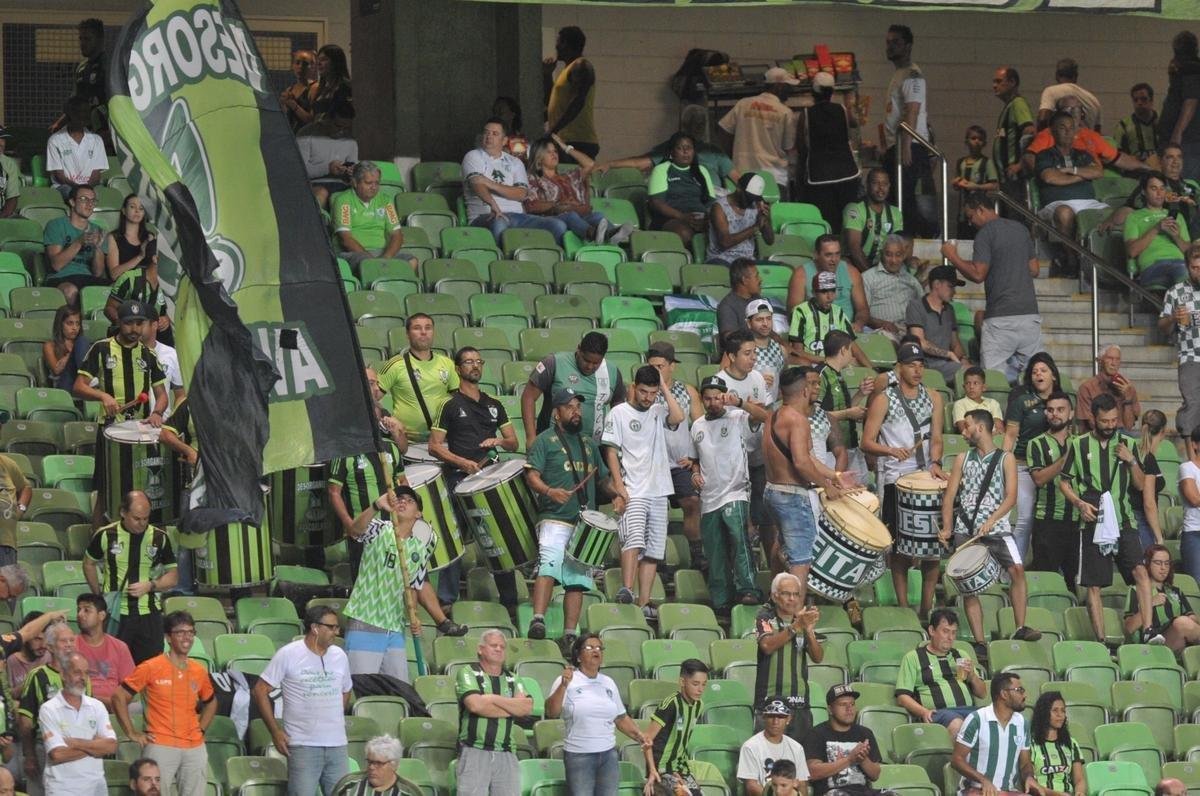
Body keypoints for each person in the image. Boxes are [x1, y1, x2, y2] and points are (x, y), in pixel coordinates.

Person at [1059, 393, 1159, 645]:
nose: (1110, 425)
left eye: (1114, 420)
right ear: (1094, 419)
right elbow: (1064, 482)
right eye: (1105, 421)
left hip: (1124, 520)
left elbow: (1139, 485)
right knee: (1093, 584)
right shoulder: (1079, 444)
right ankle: (1101, 641)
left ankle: (1148, 629)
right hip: (1092, 520)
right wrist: (1079, 503)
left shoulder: (1128, 443)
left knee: (1140, 572)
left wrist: (1132, 460)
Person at [525, 388, 621, 647]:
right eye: (569, 407)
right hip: (554, 517)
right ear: (556, 413)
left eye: (578, 407)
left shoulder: (589, 444)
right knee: (549, 566)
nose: (576, 412)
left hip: (583, 521)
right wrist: (549, 491)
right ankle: (537, 619)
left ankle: (570, 633)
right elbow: (532, 476)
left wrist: (616, 494)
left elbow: (602, 479)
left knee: (576, 580)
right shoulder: (544, 441)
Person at [939, 409, 1040, 647]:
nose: (963, 431)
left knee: (1017, 570)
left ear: (981, 428)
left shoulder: (1006, 458)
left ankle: (1020, 627)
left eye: (967, 426)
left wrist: (992, 519)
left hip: (997, 528)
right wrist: (947, 528)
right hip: (966, 527)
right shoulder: (962, 458)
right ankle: (979, 641)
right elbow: (949, 496)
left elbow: (1011, 497)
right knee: (968, 586)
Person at [428, 346, 519, 606]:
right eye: (468, 362)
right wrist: (463, 463)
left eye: (478, 361)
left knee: (498, 537)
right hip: (459, 478)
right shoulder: (449, 404)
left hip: (490, 478)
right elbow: (434, 446)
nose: (475, 366)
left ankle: (510, 601)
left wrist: (499, 441)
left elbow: (513, 442)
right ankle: (446, 600)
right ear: (458, 369)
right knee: (455, 536)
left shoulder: (494, 404)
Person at [862, 342, 947, 616]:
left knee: (933, 547)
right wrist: (890, 450)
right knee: (899, 548)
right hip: (896, 477)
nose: (917, 370)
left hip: (926, 477)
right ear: (899, 368)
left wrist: (935, 462)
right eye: (911, 365)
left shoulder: (934, 397)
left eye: (921, 365)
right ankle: (903, 607)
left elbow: (937, 437)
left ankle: (926, 609)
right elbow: (866, 441)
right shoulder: (884, 399)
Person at [74, 300, 169, 524]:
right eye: (129, 323)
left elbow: (162, 395)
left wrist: (157, 412)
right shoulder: (101, 349)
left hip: (140, 432)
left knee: (143, 487)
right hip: (109, 430)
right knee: (106, 489)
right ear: (119, 322)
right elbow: (78, 387)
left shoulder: (148, 355)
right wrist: (102, 396)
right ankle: (97, 538)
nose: (134, 329)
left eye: (139, 323)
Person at [602, 365, 684, 618]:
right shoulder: (618, 413)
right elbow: (611, 451)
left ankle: (644, 602)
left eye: (652, 392)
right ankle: (627, 590)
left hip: (659, 490)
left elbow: (679, 417)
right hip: (633, 488)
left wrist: (664, 387)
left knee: (653, 551)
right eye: (643, 392)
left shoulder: (659, 411)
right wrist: (619, 486)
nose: (648, 398)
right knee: (633, 541)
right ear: (633, 388)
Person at [764, 368, 855, 591]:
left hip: (772, 491)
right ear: (805, 391)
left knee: (781, 547)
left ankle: (774, 600)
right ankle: (794, 610)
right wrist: (826, 486)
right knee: (800, 561)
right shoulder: (798, 420)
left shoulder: (773, 416)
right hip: (792, 496)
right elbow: (802, 463)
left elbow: (808, 458)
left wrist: (835, 475)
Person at [940, 191, 1042, 385]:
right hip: (1030, 316)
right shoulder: (1021, 229)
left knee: (994, 382)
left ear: (980, 209)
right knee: (1034, 379)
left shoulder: (985, 233)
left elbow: (978, 274)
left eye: (971, 216)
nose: (970, 222)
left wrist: (952, 255)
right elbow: (1034, 269)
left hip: (1001, 319)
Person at [252, 605, 353, 796]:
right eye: (331, 627)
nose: (336, 632)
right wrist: (275, 731)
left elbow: (346, 689)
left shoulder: (340, 655)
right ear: (315, 628)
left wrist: (335, 716)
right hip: (303, 744)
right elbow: (260, 690)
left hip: (337, 744)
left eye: (337, 627)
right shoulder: (288, 654)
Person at [112, 611, 215, 796]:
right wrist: (131, 732)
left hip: (194, 747)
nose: (187, 637)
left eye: (191, 632)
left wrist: (201, 730)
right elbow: (119, 697)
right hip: (160, 744)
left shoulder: (199, 670)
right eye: (180, 632)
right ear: (168, 637)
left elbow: (211, 702)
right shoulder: (150, 667)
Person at [691, 375, 767, 613]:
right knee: (714, 550)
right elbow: (694, 459)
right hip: (708, 496)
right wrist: (694, 473)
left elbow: (765, 416)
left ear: (724, 397)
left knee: (739, 540)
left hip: (735, 491)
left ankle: (748, 589)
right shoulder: (697, 425)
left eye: (717, 398)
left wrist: (740, 402)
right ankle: (721, 599)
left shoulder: (737, 417)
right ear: (702, 399)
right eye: (708, 398)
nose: (713, 402)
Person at [343, 487, 434, 682]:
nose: (402, 501)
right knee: (362, 687)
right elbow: (354, 531)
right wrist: (376, 505)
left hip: (395, 628)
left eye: (409, 500)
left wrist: (415, 617)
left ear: (418, 514)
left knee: (398, 689)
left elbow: (413, 587)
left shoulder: (420, 548)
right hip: (365, 619)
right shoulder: (379, 528)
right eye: (399, 498)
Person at [328, 366, 410, 581]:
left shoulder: (387, 434)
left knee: (395, 578)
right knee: (365, 581)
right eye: (370, 382)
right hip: (363, 525)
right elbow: (334, 491)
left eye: (375, 383)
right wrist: (349, 524)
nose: (375, 388)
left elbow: (402, 462)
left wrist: (397, 432)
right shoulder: (345, 438)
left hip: (392, 525)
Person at [546, 634, 648, 795]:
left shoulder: (608, 682)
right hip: (579, 755)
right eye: (590, 647)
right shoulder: (566, 679)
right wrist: (563, 686)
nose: (596, 651)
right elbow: (551, 712)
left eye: (599, 648)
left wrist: (639, 736)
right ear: (578, 656)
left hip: (608, 755)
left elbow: (620, 717)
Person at [82, 491, 176, 663]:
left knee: (150, 668)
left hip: (149, 614)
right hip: (116, 614)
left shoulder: (159, 537)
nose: (142, 523)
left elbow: (173, 576)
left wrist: (151, 585)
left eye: (146, 518)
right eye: (136, 518)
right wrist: (99, 595)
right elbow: (88, 563)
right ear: (123, 512)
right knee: (111, 665)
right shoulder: (105, 534)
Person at [463, 118, 565, 245]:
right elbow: (477, 184)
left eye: (495, 134)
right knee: (499, 221)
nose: (489, 136)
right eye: (486, 132)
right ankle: (503, 257)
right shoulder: (473, 156)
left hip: (517, 216)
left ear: (504, 140)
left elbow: (521, 194)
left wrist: (490, 184)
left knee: (557, 225)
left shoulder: (515, 162)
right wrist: (493, 204)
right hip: (484, 216)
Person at [649, 344, 706, 571]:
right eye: (652, 366)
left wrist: (694, 458)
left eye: (660, 366)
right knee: (656, 510)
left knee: (692, 502)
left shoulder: (688, 391)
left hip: (680, 463)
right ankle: (658, 558)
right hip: (653, 465)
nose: (656, 371)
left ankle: (697, 553)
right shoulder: (642, 390)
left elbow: (700, 428)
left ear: (672, 366)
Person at [454, 630, 531, 796]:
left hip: (507, 752)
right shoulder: (468, 672)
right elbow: (475, 705)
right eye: (493, 645)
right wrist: (511, 708)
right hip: (474, 749)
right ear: (480, 649)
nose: (498, 649)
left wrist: (491, 698)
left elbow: (525, 708)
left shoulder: (513, 678)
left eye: (502, 646)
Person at [1003, 352, 1063, 562]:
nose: (1039, 374)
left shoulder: (1063, 402)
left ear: (1053, 375)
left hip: (1055, 467)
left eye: (1043, 370)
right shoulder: (1022, 402)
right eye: (1035, 371)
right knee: (1024, 519)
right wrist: (1003, 465)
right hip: (1024, 467)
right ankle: (1015, 567)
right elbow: (1010, 436)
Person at [1035, 110, 1109, 275]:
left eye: (1071, 128)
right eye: (1062, 128)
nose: (1068, 132)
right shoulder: (1044, 155)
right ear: (1052, 131)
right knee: (1065, 213)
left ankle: (1107, 264)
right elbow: (1050, 177)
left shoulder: (1083, 155)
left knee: (1114, 215)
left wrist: (1071, 171)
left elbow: (1098, 172)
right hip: (1057, 203)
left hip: (1088, 202)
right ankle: (1072, 259)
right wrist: (1081, 176)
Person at [523, 135, 632, 245]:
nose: (554, 154)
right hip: (554, 218)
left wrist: (566, 148)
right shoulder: (533, 179)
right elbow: (531, 205)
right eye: (548, 152)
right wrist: (556, 205)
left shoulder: (568, 177)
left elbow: (590, 164)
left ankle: (611, 235)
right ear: (539, 157)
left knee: (597, 216)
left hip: (580, 217)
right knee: (570, 215)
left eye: (555, 151)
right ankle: (593, 235)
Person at [524, 330, 626, 448]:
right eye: (586, 360)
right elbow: (528, 397)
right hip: (553, 445)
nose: (590, 366)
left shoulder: (612, 372)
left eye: (596, 363)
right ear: (578, 349)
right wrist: (531, 437)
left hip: (593, 448)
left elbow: (619, 409)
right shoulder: (554, 363)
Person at [895, 609, 986, 739]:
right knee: (957, 723)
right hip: (939, 713)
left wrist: (972, 676)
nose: (950, 638)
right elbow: (902, 697)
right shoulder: (913, 657)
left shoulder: (961, 655)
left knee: (994, 718)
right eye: (945, 631)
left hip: (968, 710)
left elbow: (982, 693)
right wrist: (924, 712)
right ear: (932, 630)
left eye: (953, 633)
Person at [755, 573, 824, 740]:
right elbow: (767, 646)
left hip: (800, 704)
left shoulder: (802, 620)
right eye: (786, 593)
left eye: (796, 594)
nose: (792, 599)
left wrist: (808, 630)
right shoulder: (765, 617)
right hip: (769, 703)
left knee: (801, 753)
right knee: (769, 752)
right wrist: (795, 627)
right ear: (775, 596)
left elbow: (818, 657)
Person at [881, 25, 935, 238]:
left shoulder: (913, 75)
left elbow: (913, 110)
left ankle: (920, 236)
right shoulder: (898, 74)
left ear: (908, 46)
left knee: (906, 199)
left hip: (909, 145)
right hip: (897, 144)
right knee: (896, 198)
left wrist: (905, 146)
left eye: (896, 42)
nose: (890, 46)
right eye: (888, 42)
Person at [597, 107, 738, 188]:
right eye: (691, 124)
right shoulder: (671, 147)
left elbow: (737, 178)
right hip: (681, 198)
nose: (695, 128)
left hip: (713, 199)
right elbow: (639, 163)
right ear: (683, 125)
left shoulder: (714, 152)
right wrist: (610, 164)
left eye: (699, 124)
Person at [38, 651, 115, 796]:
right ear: (63, 675)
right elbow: (57, 754)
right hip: (62, 788)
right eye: (77, 672)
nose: (83, 678)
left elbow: (111, 746)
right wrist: (95, 745)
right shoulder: (49, 709)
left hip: (97, 787)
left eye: (86, 673)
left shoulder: (97, 706)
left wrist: (77, 743)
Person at [17, 620, 80, 793]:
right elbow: (26, 722)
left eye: (72, 640)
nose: (69, 645)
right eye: (63, 641)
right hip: (44, 748)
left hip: (76, 748)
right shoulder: (37, 676)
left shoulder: (82, 676)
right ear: (50, 647)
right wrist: (29, 755)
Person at [377, 314, 458, 442]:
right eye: (417, 328)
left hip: (442, 440)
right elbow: (371, 398)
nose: (423, 332)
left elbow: (459, 400)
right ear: (407, 334)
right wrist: (386, 417)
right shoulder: (395, 365)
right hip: (407, 442)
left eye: (428, 328)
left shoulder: (447, 363)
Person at [1027, 391, 1080, 589]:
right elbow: (1039, 479)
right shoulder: (1036, 443)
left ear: (1071, 413)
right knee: (1046, 581)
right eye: (1050, 410)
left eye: (1060, 409)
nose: (1055, 414)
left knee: (1075, 583)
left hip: (1077, 521)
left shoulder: (1081, 442)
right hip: (1047, 523)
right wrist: (1066, 458)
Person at [796, 71, 860, 232]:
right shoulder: (842, 110)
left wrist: (800, 178)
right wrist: (850, 101)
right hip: (847, 174)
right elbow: (855, 122)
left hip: (819, 177)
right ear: (832, 91)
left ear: (813, 92)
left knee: (825, 224)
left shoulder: (806, 114)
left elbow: (801, 148)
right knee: (847, 223)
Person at [718, 67, 798, 196]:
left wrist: (730, 154)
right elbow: (789, 146)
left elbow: (724, 129)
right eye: (788, 86)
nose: (790, 91)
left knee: (745, 208)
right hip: (774, 176)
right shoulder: (785, 112)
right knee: (773, 208)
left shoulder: (743, 104)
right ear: (778, 86)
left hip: (743, 173)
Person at [952, 673, 1034, 796]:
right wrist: (983, 780)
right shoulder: (977, 719)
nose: (1025, 695)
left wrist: (1029, 777)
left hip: (1008, 792)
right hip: (976, 790)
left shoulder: (1022, 723)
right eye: (1019, 690)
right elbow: (957, 760)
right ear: (1004, 694)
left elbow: (1025, 764)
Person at [643, 658, 709, 796]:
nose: (700, 689)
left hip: (681, 768)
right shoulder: (671, 704)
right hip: (661, 768)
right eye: (695, 684)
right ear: (682, 682)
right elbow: (646, 740)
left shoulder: (699, 705)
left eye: (704, 684)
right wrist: (652, 771)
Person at [804, 684, 886, 796]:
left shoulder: (865, 733)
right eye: (843, 704)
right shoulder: (816, 734)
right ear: (830, 709)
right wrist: (849, 759)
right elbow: (812, 772)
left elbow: (875, 775)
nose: (849, 709)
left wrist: (863, 759)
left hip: (863, 792)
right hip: (833, 792)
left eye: (852, 704)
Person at [331, 162, 412, 270]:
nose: (374, 187)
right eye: (368, 183)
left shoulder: (385, 200)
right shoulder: (343, 201)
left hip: (382, 252)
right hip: (354, 254)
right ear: (355, 183)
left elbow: (397, 235)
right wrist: (372, 261)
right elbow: (346, 239)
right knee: (366, 263)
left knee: (411, 261)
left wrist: (385, 259)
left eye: (377, 183)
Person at [820, 330, 875, 487]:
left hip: (850, 445)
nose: (852, 355)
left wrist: (860, 394)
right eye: (851, 350)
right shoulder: (821, 375)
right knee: (839, 493)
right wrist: (848, 413)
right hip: (830, 450)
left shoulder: (839, 375)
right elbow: (815, 415)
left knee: (862, 490)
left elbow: (844, 408)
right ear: (843, 350)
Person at [646, 132, 716, 249]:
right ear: (672, 152)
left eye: (689, 148)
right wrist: (682, 217)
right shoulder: (662, 169)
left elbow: (711, 203)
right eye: (680, 148)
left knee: (719, 231)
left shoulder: (702, 171)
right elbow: (656, 203)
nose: (685, 151)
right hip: (671, 218)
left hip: (700, 218)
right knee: (684, 233)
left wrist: (707, 220)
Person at [1125, 545, 1200, 654]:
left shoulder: (1176, 591)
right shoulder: (1136, 590)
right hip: (1150, 647)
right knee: (1181, 623)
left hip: (1179, 641)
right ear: (1147, 564)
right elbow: (1129, 628)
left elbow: (1192, 618)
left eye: (1166, 563)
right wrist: (1150, 603)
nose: (1163, 568)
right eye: (1158, 563)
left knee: (1184, 622)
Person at [43, 185, 108, 307]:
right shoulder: (56, 225)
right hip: (61, 278)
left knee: (115, 292)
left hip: (88, 279)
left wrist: (98, 248)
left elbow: (98, 273)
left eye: (93, 200)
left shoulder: (98, 231)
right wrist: (78, 242)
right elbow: (56, 265)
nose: (89, 204)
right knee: (70, 291)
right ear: (72, 202)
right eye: (84, 199)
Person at [1124, 171, 1191, 288]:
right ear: (1144, 191)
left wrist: (1175, 236)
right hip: (1153, 265)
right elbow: (1132, 251)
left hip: (1180, 264)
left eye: (1162, 188)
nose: (1159, 193)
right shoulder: (1134, 217)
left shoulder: (1178, 217)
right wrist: (1157, 228)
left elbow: (1190, 253)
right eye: (1154, 188)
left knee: (1185, 278)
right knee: (1168, 286)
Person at [789, 270, 869, 368]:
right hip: (812, 365)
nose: (830, 297)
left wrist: (872, 369)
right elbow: (798, 351)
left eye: (832, 291)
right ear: (814, 292)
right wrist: (829, 361)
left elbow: (852, 345)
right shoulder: (800, 311)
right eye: (824, 292)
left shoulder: (838, 312)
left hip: (837, 365)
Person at [1159, 245, 1200, 437]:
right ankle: (1191, 451)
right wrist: (1173, 318)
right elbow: (1163, 326)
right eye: (1195, 268)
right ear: (1187, 266)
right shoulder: (1175, 292)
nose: (1199, 272)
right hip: (1189, 356)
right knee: (1192, 402)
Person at [788, 232, 870, 326]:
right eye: (828, 255)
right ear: (816, 254)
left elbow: (862, 309)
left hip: (848, 328)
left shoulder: (852, 272)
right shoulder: (801, 274)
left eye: (837, 254)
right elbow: (794, 312)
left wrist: (859, 324)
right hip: (814, 328)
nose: (834, 259)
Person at [543, 26, 598, 162]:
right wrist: (547, 75)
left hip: (577, 140)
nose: (556, 46)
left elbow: (578, 101)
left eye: (559, 42)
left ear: (567, 43)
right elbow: (551, 102)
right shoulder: (567, 70)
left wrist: (553, 130)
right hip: (564, 139)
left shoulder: (581, 65)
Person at [73, 593, 134, 711]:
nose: (80, 614)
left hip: (116, 706)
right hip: (82, 706)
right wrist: (98, 702)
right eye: (78, 610)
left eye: (86, 610)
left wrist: (115, 704)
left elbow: (129, 688)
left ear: (101, 615)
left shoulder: (120, 647)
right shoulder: (71, 646)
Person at [737, 697, 809, 796]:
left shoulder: (797, 748)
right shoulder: (750, 746)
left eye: (780, 717)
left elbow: (801, 784)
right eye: (771, 716)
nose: (775, 722)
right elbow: (751, 786)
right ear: (764, 717)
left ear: (788, 719)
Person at [862, 234, 923, 342]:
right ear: (881, 254)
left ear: (903, 256)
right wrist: (882, 323)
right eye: (888, 255)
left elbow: (923, 309)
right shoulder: (868, 278)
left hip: (910, 330)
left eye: (898, 255)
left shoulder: (911, 281)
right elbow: (862, 314)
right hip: (882, 331)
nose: (893, 260)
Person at [844, 168, 904, 272]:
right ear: (867, 185)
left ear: (889, 186)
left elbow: (898, 246)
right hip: (855, 265)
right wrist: (872, 276)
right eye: (875, 183)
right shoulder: (854, 209)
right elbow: (854, 248)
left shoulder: (895, 212)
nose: (881, 188)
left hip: (883, 267)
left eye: (884, 184)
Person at [1027, 691, 1087, 796]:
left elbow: (1079, 780)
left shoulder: (1071, 743)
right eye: (1055, 710)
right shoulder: (1030, 743)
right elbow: (1031, 784)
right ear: (1044, 713)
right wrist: (1057, 794)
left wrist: (1079, 792)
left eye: (1063, 711)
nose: (1060, 715)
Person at [299, 104, 359, 207]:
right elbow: (299, 171)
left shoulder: (350, 140)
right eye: (338, 126)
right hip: (313, 184)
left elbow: (354, 169)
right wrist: (327, 168)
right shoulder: (307, 135)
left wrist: (352, 171)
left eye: (346, 128)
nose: (341, 131)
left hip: (342, 184)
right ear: (327, 119)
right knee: (322, 193)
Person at [1159, 32, 1200, 181]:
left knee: (1185, 182)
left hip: (1187, 140)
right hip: (1185, 139)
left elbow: (1191, 101)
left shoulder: (1190, 69)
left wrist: (1177, 134)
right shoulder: (1188, 68)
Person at [46, 96, 106, 198]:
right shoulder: (55, 140)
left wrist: (86, 188)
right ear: (70, 114)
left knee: (104, 195)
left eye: (87, 112)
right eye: (80, 112)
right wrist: (78, 189)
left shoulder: (97, 140)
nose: (84, 115)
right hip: (65, 186)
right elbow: (59, 175)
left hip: (90, 186)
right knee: (74, 195)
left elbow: (96, 174)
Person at [707, 173, 773, 265]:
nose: (750, 201)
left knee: (785, 268)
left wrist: (766, 220)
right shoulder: (719, 207)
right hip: (722, 259)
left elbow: (770, 241)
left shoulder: (756, 206)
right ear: (738, 188)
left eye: (753, 198)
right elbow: (725, 242)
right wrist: (756, 227)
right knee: (741, 272)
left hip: (747, 261)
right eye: (748, 197)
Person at [1074, 346, 1142, 434]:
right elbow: (1090, 423)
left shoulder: (1127, 387)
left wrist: (1128, 399)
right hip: (1098, 434)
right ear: (1100, 361)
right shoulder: (1087, 388)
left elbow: (1129, 426)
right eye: (1110, 358)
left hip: (1123, 434)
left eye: (1117, 359)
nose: (1114, 363)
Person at [993, 67, 1035, 197]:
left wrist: (1020, 165)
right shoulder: (1009, 106)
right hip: (1007, 176)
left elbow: (1030, 132)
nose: (994, 86)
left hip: (1015, 176)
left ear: (1012, 82)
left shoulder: (1018, 103)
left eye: (999, 81)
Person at [952, 126, 999, 237]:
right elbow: (956, 184)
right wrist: (956, 183)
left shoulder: (987, 162)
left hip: (979, 210)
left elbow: (995, 185)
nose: (977, 141)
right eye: (973, 138)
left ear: (984, 143)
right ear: (966, 141)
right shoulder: (961, 162)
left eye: (980, 139)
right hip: (963, 212)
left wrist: (976, 186)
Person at [1038, 58, 1102, 131]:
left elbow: (1043, 119)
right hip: (1087, 138)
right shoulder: (1094, 100)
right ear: (1076, 76)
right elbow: (1097, 132)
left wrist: (1040, 137)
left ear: (1056, 75)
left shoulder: (1051, 91)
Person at [748, 299, 787, 405]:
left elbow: (784, 382)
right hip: (747, 406)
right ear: (748, 323)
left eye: (769, 319)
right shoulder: (739, 349)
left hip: (772, 408)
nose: (765, 324)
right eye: (759, 319)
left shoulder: (781, 350)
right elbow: (726, 381)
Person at [6, 611, 50, 699]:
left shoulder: (49, 656)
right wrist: (30, 682)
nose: (44, 645)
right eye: (37, 639)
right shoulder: (10, 660)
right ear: (25, 637)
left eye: (47, 639)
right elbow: (7, 695)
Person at [717, 259, 765, 337]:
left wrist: (781, 341)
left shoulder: (757, 299)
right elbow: (730, 339)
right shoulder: (727, 306)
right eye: (756, 276)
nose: (760, 279)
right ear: (745, 280)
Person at [1118, 83, 1161, 164]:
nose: (1139, 103)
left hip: (1161, 168)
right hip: (1135, 169)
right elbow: (1117, 153)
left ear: (1151, 101)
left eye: (1143, 99)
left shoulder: (1163, 121)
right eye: (1135, 100)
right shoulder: (1124, 125)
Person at [952, 368, 1002, 434]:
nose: (971, 387)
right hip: (973, 439)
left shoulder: (993, 403)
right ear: (964, 387)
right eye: (968, 383)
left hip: (993, 438)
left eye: (975, 383)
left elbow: (999, 429)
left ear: (984, 387)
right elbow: (964, 430)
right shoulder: (959, 404)